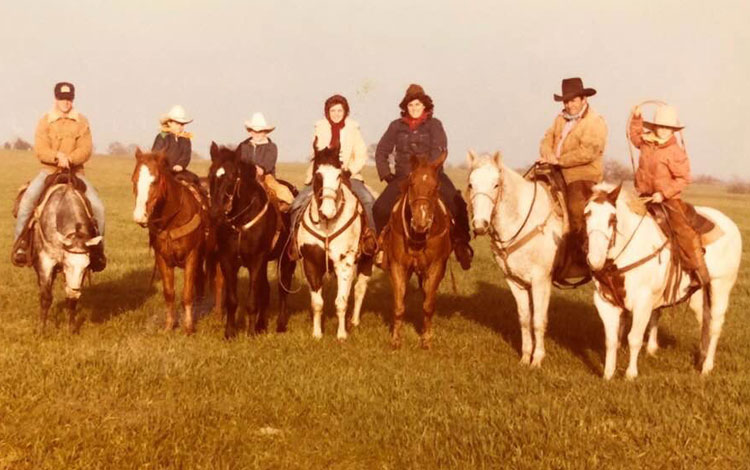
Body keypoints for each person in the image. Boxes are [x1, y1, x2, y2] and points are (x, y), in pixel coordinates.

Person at [372, 83, 473, 270]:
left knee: (456, 201)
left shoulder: (435, 125)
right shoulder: (396, 126)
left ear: (425, 106)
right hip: (404, 176)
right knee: (380, 207)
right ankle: (381, 248)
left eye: (417, 105)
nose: (414, 109)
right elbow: (381, 151)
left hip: (432, 175)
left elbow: (439, 149)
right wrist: (387, 175)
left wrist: (428, 171)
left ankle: (461, 244)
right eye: (410, 105)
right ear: (405, 108)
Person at [11, 82, 106, 271]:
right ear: (56, 99)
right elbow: (40, 148)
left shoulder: (82, 121)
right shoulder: (45, 121)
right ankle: (20, 245)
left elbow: (85, 149)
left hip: (75, 172)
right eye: (62, 98)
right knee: (26, 203)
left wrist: (70, 158)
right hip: (49, 170)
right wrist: (56, 157)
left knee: (98, 207)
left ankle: (97, 251)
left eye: (69, 98)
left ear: (73, 99)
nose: (66, 102)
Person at [629, 104, 709, 286]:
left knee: (682, 230)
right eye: (660, 126)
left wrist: (663, 194)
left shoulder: (675, 151)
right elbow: (633, 136)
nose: (663, 130)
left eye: (668, 127)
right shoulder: (646, 142)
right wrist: (636, 119)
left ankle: (697, 272)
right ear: (654, 127)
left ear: (673, 129)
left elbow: (684, 178)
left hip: (667, 199)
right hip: (643, 196)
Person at [289, 94, 377, 254]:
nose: (336, 114)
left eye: (339, 110)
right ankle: (294, 241)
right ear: (327, 112)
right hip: (322, 176)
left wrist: (349, 170)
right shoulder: (319, 128)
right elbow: (314, 154)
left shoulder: (353, 129)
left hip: (348, 175)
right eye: (332, 110)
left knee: (367, 199)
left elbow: (361, 154)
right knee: (297, 203)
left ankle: (370, 237)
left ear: (345, 112)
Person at [538, 77, 607, 278]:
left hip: (583, 174)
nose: (569, 104)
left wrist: (559, 159)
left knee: (577, 208)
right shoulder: (560, 119)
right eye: (566, 101)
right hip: (556, 169)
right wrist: (548, 154)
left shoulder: (595, 122)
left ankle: (580, 257)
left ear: (583, 99)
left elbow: (589, 151)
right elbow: (546, 138)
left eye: (573, 100)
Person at [237, 112, 294, 206]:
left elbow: (268, 165)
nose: (257, 134)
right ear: (250, 132)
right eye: (254, 131)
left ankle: (287, 210)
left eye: (260, 131)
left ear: (265, 132)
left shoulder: (271, 147)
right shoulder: (243, 146)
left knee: (282, 191)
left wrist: (259, 169)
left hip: (266, 177)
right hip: (245, 177)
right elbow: (240, 161)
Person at [151, 105, 200, 186]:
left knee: (195, 180)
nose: (180, 127)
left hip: (180, 172)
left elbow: (186, 155)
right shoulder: (162, 136)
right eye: (177, 123)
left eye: (182, 124)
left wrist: (181, 165)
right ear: (169, 123)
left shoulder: (186, 139)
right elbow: (155, 155)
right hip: (163, 172)